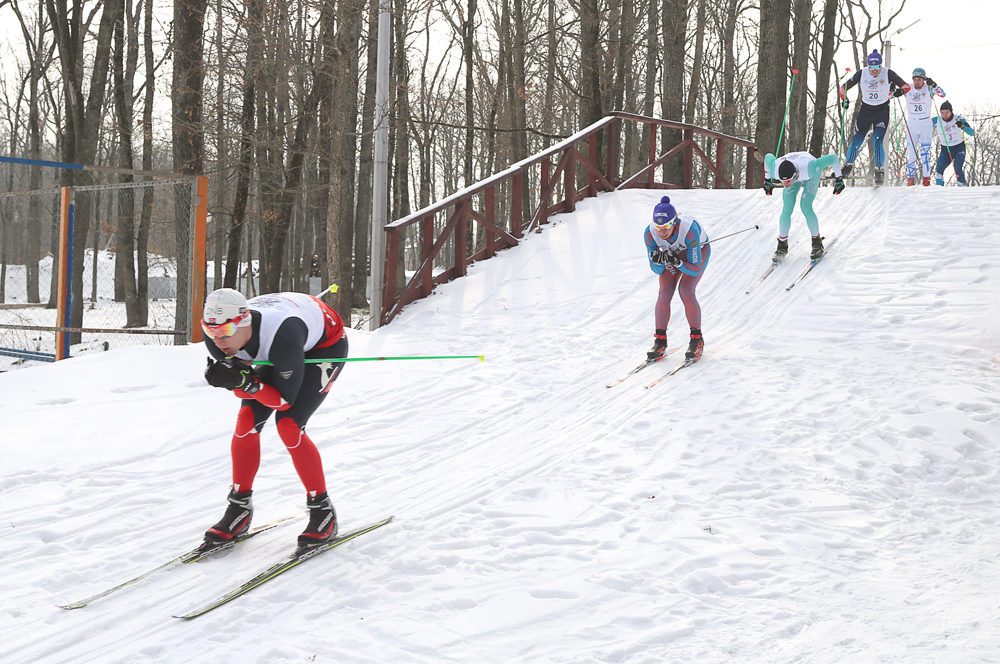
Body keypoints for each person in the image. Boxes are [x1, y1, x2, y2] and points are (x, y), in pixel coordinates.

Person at [201, 288, 348, 554]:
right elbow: (242, 389)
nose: (218, 339)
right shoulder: (218, 336)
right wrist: (237, 382)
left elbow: (283, 401)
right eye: (211, 331)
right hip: (283, 337)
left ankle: (322, 510)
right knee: (246, 419)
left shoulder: (283, 336)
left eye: (225, 331)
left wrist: (247, 383)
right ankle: (239, 507)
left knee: (289, 425)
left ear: (243, 322)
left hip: (323, 344)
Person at [643, 196, 709, 363]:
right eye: (658, 227)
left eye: (666, 227)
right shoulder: (650, 234)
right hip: (673, 254)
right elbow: (656, 270)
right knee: (664, 293)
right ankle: (660, 341)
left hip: (696, 251)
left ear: (675, 222)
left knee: (685, 290)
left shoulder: (689, 230)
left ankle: (697, 340)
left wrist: (678, 262)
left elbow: (694, 269)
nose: (662, 232)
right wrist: (659, 261)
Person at [839, 49, 910, 186]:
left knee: (877, 142)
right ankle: (848, 166)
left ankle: (879, 172)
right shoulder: (862, 73)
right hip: (865, 111)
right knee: (856, 141)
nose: (875, 70)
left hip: (882, 112)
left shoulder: (888, 73)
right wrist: (845, 99)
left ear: (881, 65)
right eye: (872, 67)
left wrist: (900, 91)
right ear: (868, 66)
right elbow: (843, 88)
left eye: (877, 66)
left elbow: (906, 86)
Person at [763, 151, 845, 261]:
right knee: (787, 207)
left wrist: (839, 178)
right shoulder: (775, 170)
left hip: (809, 174)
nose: (785, 184)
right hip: (794, 172)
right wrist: (767, 179)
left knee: (805, 206)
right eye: (783, 182)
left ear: (793, 175)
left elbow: (833, 158)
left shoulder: (811, 168)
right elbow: (768, 157)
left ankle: (817, 243)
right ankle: (782, 245)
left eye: (787, 181)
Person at [901, 68, 946, 187]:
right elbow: (891, 94)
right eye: (915, 79)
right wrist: (892, 89)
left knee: (925, 153)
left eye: (919, 80)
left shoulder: (929, 88)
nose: (917, 82)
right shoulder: (908, 87)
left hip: (925, 124)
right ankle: (910, 180)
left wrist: (934, 85)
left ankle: (926, 180)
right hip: (912, 124)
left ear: (924, 79)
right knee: (912, 154)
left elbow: (942, 94)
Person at [932, 100, 975, 186]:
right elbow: (923, 126)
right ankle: (939, 189)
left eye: (947, 112)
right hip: (946, 149)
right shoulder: (936, 120)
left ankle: (962, 187)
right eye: (942, 112)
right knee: (939, 168)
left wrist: (962, 126)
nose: (945, 115)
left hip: (959, 148)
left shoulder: (958, 118)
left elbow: (971, 132)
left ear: (951, 112)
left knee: (957, 167)